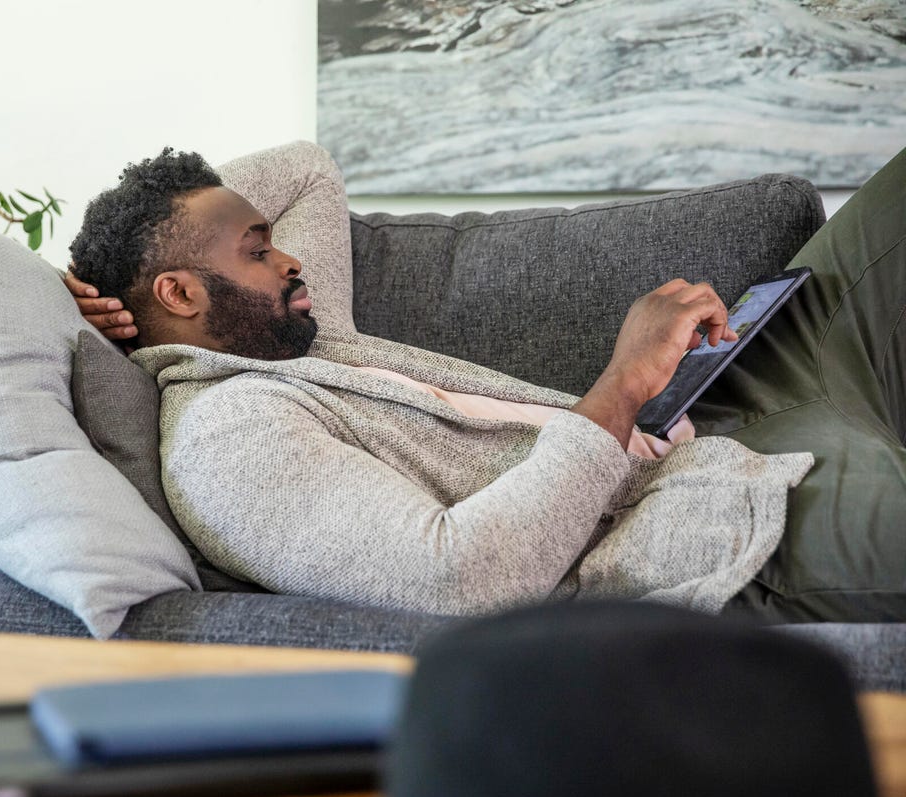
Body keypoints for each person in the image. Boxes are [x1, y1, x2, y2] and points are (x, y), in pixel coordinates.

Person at [66, 141, 905, 623]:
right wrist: (621, 383)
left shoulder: (301, 337)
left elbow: (307, 167)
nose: (286, 255)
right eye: (257, 249)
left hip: (715, 420)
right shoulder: (230, 439)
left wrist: (93, 271)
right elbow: (456, 579)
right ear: (181, 294)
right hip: (726, 522)